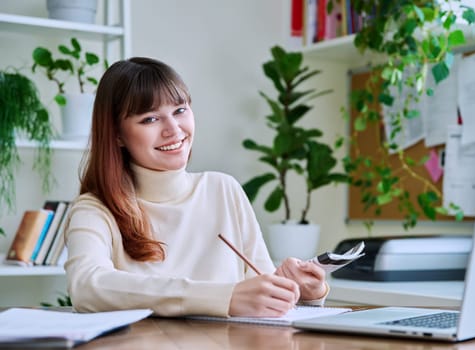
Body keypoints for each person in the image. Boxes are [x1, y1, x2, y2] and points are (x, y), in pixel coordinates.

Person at [63, 57, 329, 317]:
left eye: (180, 111)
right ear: (117, 134)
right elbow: (86, 286)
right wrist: (223, 298)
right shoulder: (95, 208)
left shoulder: (223, 189)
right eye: (150, 119)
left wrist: (304, 292)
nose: (173, 129)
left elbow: (263, 290)